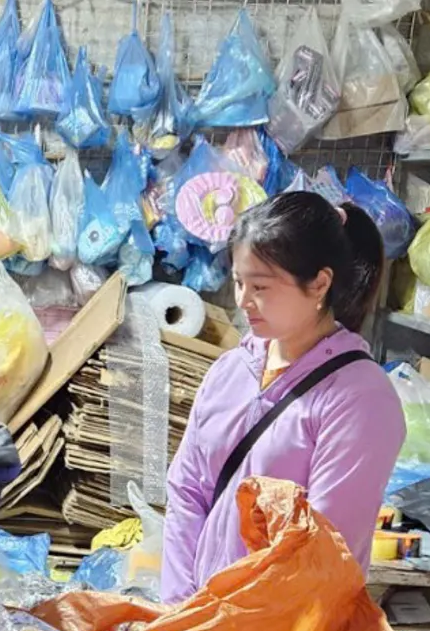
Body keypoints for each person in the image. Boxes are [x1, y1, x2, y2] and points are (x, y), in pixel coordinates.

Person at [160, 190, 404, 605]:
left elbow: (322, 547)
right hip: (201, 620)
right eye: (239, 282)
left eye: (260, 286)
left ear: (320, 284)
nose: (242, 301)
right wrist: (179, 605)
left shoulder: (360, 398)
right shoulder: (230, 371)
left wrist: (235, 626)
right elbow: (187, 491)